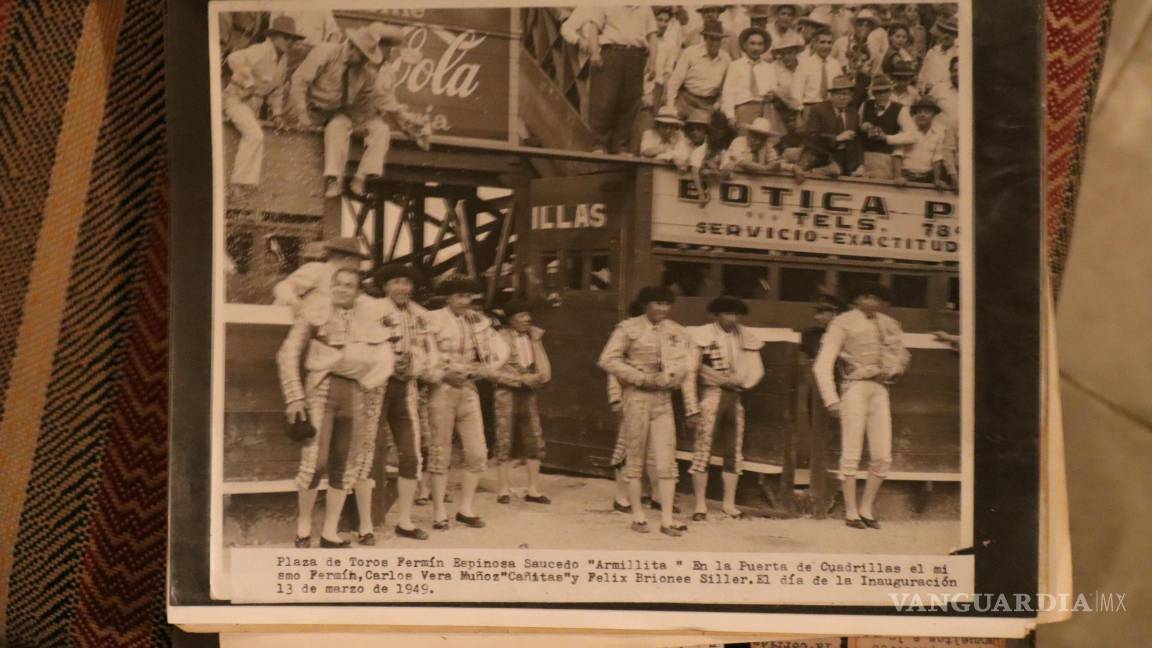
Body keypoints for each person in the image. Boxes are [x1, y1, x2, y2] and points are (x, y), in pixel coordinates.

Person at [278, 268, 395, 548]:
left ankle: (330, 532)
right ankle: (303, 527)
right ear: (332, 286)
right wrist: (294, 396)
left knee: (346, 465)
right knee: (314, 462)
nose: (343, 289)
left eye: (350, 286)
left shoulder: (369, 317)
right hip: (321, 390)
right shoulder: (316, 312)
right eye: (339, 284)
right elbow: (287, 352)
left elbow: (382, 362)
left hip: (356, 393)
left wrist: (368, 389)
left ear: (357, 291)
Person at [598, 286, 695, 537]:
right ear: (645, 304)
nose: (663, 309)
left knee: (666, 456)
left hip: (663, 398)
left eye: (666, 304)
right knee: (635, 454)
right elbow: (608, 360)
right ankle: (638, 515)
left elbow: (686, 363)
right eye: (657, 304)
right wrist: (639, 378)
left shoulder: (676, 330)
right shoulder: (629, 328)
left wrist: (673, 379)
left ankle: (666, 520)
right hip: (637, 397)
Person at [813, 281, 910, 530]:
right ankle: (851, 511)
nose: (872, 302)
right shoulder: (842, 322)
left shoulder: (889, 323)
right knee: (852, 451)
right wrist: (831, 399)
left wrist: (892, 372)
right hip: (853, 388)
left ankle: (866, 508)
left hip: (880, 389)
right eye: (866, 296)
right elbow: (822, 364)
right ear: (856, 299)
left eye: (877, 298)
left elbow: (901, 358)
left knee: (882, 454)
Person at [423, 277, 509, 530]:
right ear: (448, 297)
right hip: (442, 387)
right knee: (440, 449)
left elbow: (500, 348)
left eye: (468, 296)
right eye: (459, 295)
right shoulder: (433, 318)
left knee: (477, 451)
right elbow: (425, 352)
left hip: (468, 388)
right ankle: (439, 511)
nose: (464, 301)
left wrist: (485, 370)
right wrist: (440, 373)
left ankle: (465, 508)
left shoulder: (478, 320)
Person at [362, 264, 439, 541]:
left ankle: (404, 521)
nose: (402, 288)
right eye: (396, 282)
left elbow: (432, 354)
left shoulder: (421, 315)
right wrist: (387, 362)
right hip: (376, 386)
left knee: (411, 454)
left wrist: (415, 367)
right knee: (366, 451)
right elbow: (362, 345)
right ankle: (365, 525)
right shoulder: (371, 309)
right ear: (384, 286)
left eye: (407, 282)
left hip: (406, 388)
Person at [685, 296, 764, 521]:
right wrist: (691, 408)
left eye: (735, 314)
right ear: (715, 315)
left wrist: (741, 382)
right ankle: (700, 504)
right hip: (710, 396)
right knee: (703, 448)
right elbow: (690, 371)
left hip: (735, 397)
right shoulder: (702, 335)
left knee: (734, 450)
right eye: (727, 314)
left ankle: (729, 504)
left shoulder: (744, 335)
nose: (732, 318)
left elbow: (756, 369)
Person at [287, 27, 389, 198]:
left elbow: (365, 103)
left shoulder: (365, 72)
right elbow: (299, 81)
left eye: (367, 58)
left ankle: (360, 177)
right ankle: (333, 178)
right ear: (351, 47)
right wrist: (302, 114)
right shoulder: (325, 53)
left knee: (380, 130)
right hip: (309, 108)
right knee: (335, 128)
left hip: (336, 113)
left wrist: (365, 122)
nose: (365, 61)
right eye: (363, 56)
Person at [222, 16, 305, 190]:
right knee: (254, 135)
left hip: (253, 106)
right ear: (273, 37)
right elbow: (234, 58)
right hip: (235, 99)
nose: (289, 42)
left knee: (261, 136)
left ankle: (241, 185)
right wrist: (248, 82)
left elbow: (277, 90)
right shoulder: (261, 51)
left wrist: (277, 114)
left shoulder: (283, 60)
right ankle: (239, 186)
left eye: (292, 39)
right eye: (285, 37)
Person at [490, 298, 553, 505]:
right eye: (521, 315)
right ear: (510, 320)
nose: (527, 319)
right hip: (506, 392)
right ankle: (503, 489)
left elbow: (545, 372)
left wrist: (535, 377)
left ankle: (533, 489)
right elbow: (491, 372)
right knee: (504, 437)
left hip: (529, 392)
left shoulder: (534, 338)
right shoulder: (498, 338)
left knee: (534, 437)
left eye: (528, 315)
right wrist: (519, 380)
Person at [583, 6, 660, 154]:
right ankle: (599, 144)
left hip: (636, 56)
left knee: (630, 100)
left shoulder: (644, 8)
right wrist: (594, 52)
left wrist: (653, 61)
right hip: (612, 53)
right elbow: (593, 29)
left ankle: (621, 145)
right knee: (603, 99)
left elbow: (652, 36)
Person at [273, 237, 368, 310]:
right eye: (358, 262)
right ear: (349, 260)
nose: (359, 268)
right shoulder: (318, 269)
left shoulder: (347, 281)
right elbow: (283, 287)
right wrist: (295, 304)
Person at [664, 20, 731, 120]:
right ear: (705, 38)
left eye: (718, 39)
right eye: (711, 39)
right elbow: (675, 81)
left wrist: (718, 104)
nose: (715, 43)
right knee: (673, 124)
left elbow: (727, 87)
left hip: (708, 105)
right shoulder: (691, 53)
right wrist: (670, 105)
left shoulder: (726, 59)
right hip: (686, 101)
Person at [799, 75, 861, 178]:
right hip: (822, 160)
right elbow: (811, 137)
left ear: (851, 96)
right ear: (831, 96)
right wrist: (836, 138)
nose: (842, 97)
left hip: (848, 163)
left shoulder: (853, 114)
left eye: (845, 94)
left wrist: (860, 164)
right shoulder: (818, 110)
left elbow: (857, 142)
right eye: (838, 94)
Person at [720, 27, 780, 134]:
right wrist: (730, 116)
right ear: (745, 45)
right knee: (744, 140)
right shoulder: (735, 66)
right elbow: (728, 93)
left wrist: (772, 96)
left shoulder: (769, 67)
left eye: (760, 44)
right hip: (743, 108)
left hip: (764, 109)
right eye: (752, 43)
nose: (756, 48)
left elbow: (774, 89)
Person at [885, 96, 952, 190]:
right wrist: (898, 177)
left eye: (927, 112)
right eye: (919, 111)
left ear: (934, 115)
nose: (922, 114)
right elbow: (897, 155)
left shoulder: (939, 131)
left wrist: (937, 179)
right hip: (906, 177)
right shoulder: (907, 129)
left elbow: (937, 158)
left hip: (927, 178)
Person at [858, 74, 915, 180]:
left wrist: (886, 138)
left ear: (890, 91)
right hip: (864, 158)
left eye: (885, 91)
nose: (882, 95)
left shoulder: (900, 109)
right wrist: (863, 127)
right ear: (873, 93)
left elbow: (912, 136)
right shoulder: (865, 105)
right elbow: (857, 128)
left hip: (886, 159)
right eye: (878, 92)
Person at [790, 28, 842, 116]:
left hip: (831, 108)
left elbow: (840, 89)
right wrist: (799, 114)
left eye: (829, 43)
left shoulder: (835, 64)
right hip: (811, 108)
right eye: (822, 42)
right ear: (814, 44)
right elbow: (796, 93)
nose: (826, 46)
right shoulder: (804, 64)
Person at [918, 15, 958, 96]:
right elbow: (922, 75)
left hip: (946, 96)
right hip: (928, 95)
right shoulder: (932, 52)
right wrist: (923, 87)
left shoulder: (957, 54)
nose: (947, 36)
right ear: (940, 33)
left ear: (955, 36)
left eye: (951, 33)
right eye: (944, 32)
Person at [799, 293, 847, 361]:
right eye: (816, 313)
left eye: (820, 312)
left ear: (835, 313)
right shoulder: (809, 335)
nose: (815, 317)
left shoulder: (846, 337)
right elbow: (803, 363)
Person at [769, 31, 807, 112]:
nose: (786, 57)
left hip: (805, 106)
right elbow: (774, 90)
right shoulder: (774, 67)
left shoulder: (805, 65)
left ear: (796, 52)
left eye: (790, 53)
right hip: (783, 109)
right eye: (783, 54)